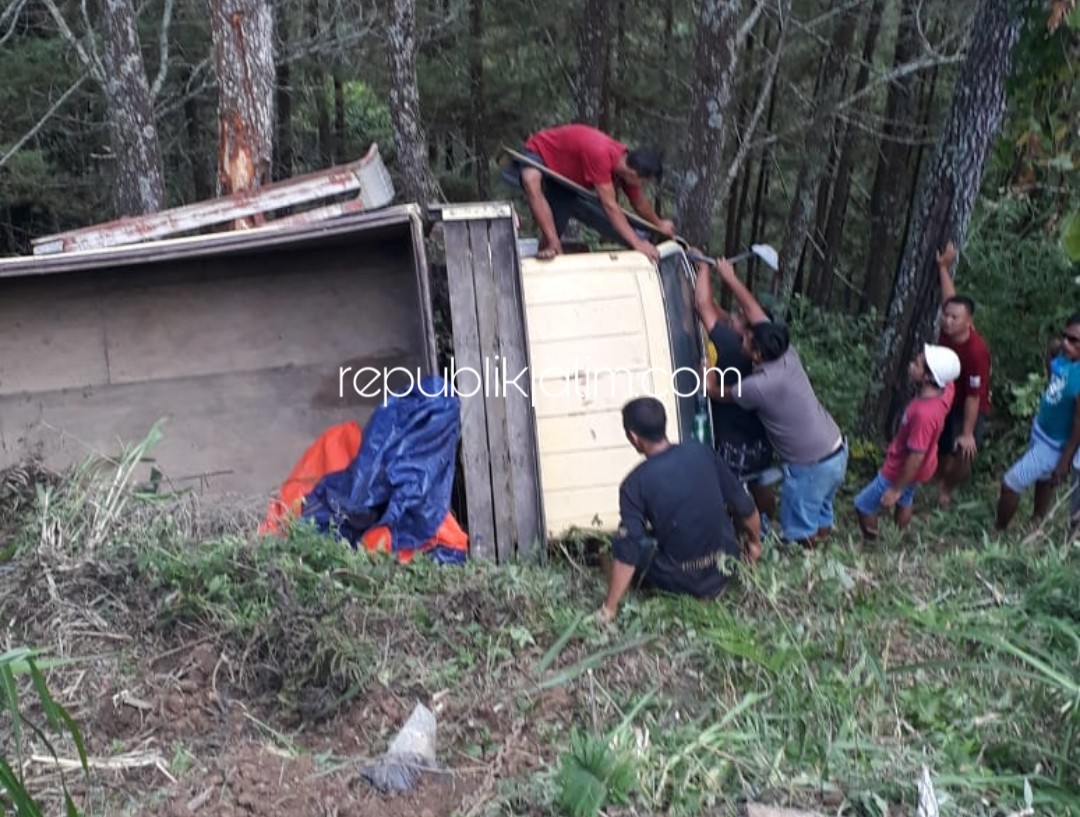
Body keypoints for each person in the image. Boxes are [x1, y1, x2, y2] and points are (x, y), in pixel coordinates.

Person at [704, 259, 848, 549]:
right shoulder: (785, 353)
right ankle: (820, 548)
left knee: (798, 527)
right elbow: (755, 312)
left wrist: (706, 377)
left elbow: (718, 393)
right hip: (835, 449)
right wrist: (730, 278)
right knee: (820, 514)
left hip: (810, 466)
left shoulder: (758, 386)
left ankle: (803, 563)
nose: (741, 337)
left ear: (756, 355)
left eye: (745, 339)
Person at [597, 397, 761, 624]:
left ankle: (663, 593)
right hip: (725, 567)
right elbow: (744, 504)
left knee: (615, 547)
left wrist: (609, 609)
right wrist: (754, 544)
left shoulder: (635, 484)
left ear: (634, 437)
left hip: (682, 580)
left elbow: (629, 549)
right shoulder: (702, 453)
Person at [507, 123, 675, 262]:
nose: (641, 186)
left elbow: (639, 202)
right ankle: (552, 242)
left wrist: (659, 224)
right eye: (643, 183)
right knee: (531, 180)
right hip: (541, 153)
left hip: (566, 181)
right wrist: (637, 243)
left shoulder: (625, 168)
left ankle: (549, 250)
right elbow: (610, 206)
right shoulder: (601, 153)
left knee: (552, 237)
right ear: (634, 175)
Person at [691, 258, 778, 525]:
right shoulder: (770, 353)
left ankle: (743, 531)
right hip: (759, 439)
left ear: (748, 333)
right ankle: (767, 525)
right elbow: (718, 311)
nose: (734, 315)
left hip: (733, 442)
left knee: (730, 490)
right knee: (758, 482)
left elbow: (704, 307)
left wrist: (704, 268)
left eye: (740, 316)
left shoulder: (730, 345)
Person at [854, 345, 960, 542]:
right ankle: (898, 535)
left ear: (928, 377)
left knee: (863, 504)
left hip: (899, 468)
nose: (911, 365)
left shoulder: (923, 414)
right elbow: (950, 377)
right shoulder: (945, 392)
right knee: (906, 497)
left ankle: (871, 543)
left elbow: (916, 455)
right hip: (925, 465)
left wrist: (895, 488)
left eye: (917, 364)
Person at [994, 314, 1080, 533]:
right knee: (1042, 479)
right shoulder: (1064, 357)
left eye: (1074, 340)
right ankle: (1037, 520)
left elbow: (1078, 426)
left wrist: (1064, 462)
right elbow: (1051, 352)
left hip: (1054, 445)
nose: (1066, 343)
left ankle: (998, 530)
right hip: (1041, 429)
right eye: (1065, 337)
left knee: (1010, 483)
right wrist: (1053, 378)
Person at [933, 241, 993, 507]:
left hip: (970, 402)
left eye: (954, 318)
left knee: (964, 449)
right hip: (946, 396)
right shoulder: (948, 329)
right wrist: (943, 267)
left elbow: (973, 395)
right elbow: (950, 299)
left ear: (968, 322)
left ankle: (948, 488)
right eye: (946, 316)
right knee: (943, 443)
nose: (947, 320)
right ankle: (937, 478)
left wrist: (968, 432)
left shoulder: (976, 351)